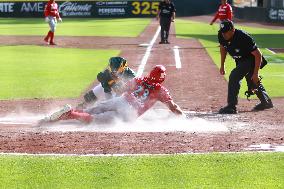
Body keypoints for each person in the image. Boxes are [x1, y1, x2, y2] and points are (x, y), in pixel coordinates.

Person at [39, 65, 184, 125]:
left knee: (92, 110)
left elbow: (121, 89)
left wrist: (111, 82)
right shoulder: (161, 90)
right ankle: (70, 114)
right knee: (94, 119)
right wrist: (182, 116)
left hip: (121, 101)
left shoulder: (139, 79)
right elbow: (173, 107)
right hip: (129, 113)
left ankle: (62, 114)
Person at [218, 20, 273, 114]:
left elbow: (258, 55)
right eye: (222, 32)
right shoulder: (221, 35)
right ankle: (266, 101)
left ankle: (231, 106)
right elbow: (223, 48)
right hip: (240, 60)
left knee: (234, 76)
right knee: (251, 81)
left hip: (251, 59)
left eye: (226, 32)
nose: (224, 34)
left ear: (233, 30)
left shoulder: (243, 37)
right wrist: (222, 65)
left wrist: (256, 74)